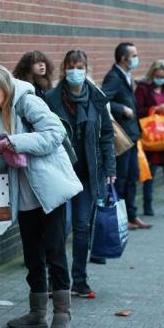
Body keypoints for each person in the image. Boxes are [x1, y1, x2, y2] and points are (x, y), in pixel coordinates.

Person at [0, 64, 82, 328]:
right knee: (32, 255)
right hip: (22, 192)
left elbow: (55, 134)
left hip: (48, 189)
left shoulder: (28, 101)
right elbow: (0, 159)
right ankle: (37, 312)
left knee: (55, 250)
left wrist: (16, 141)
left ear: (6, 89)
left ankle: (62, 312)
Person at [44, 50, 115, 299]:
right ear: (65, 68)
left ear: (86, 68)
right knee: (60, 228)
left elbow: (106, 134)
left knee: (83, 227)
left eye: (80, 66)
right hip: (60, 173)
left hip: (87, 173)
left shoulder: (96, 98)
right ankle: (56, 280)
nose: (76, 71)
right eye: (72, 66)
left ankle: (80, 280)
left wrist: (110, 169)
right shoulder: (51, 99)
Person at [102, 42, 151, 229]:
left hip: (132, 135)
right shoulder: (114, 77)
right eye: (134, 55)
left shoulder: (126, 75)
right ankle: (120, 216)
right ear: (124, 58)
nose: (136, 58)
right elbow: (103, 99)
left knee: (132, 177)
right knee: (121, 178)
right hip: (122, 137)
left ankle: (132, 215)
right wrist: (121, 108)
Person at [135, 60, 164, 217]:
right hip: (152, 137)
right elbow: (138, 111)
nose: (160, 78)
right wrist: (155, 109)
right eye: (158, 76)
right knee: (150, 172)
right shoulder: (142, 89)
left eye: (163, 76)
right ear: (152, 74)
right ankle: (147, 204)